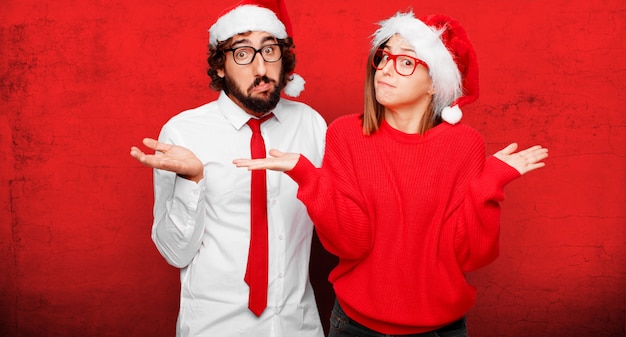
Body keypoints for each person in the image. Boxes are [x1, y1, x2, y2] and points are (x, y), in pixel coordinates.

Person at [234, 11, 549, 337]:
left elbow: (470, 254)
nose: (385, 68)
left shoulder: (464, 144)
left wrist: (489, 182)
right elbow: (351, 243)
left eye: (406, 62)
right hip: (355, 327)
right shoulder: (345, 134)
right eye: (384, 56)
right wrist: (307, 175)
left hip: (440, 329)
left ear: (434, 85)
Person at [129, 1, 326, 336]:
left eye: (269, 49)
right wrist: (192, 180)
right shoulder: (183, 133)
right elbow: (175, 252)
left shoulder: (311, 125)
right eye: (243, 53)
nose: (260, 67)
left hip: (297, 325)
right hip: (214, 327)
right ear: (220, 66)